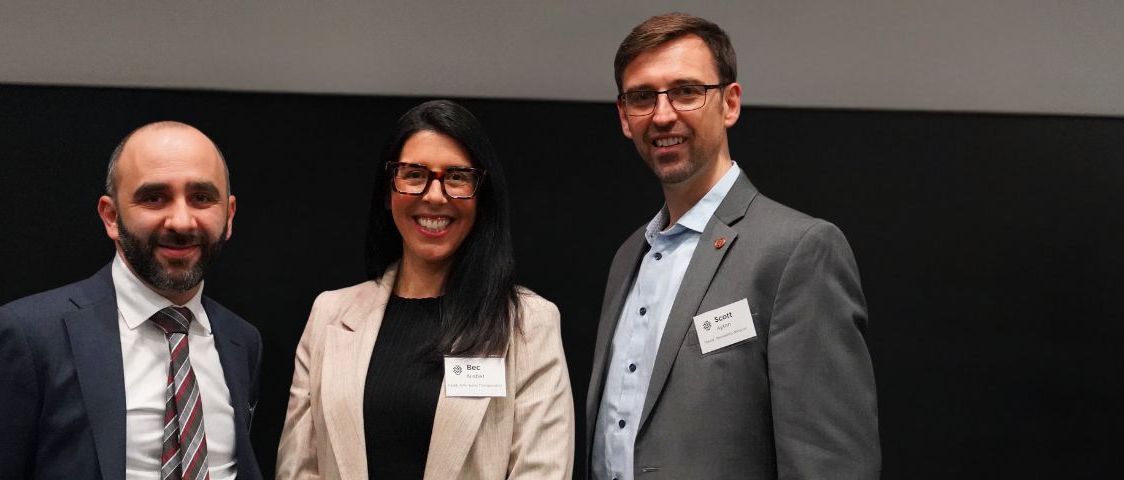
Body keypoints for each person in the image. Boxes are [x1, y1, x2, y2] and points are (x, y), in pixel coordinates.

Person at [585, 13, 880, 480]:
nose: (663, 114)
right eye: (643, 96)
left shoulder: (797, 250)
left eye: (685, 91)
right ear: (624, 116)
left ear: (729, 103)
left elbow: (830, 463)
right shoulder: (628, 259)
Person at [277, 100, 574, 479]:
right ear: (389, 192)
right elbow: (298, 468)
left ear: (481, 196)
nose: (435, 195)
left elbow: (542, 470)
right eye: (414, 174)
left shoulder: (529, 324)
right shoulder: (329, 316)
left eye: (456, 177)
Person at [0, 121, 263, 480]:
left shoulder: (241, 340)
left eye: (201, 198)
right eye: (154, 198)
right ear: (111, 217)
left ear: (228, 215)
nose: (182, 221)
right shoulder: (29, 336)